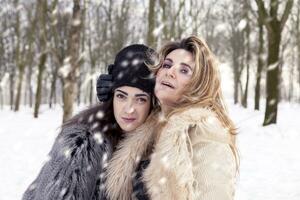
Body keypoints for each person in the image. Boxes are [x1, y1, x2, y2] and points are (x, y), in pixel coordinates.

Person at [22, 44, 157, 200]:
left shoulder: (158, 146)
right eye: (121, 96)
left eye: (140, 99)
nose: (129, 109)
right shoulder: (82, 143)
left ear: (153, 103)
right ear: (111, 95)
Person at [141, 35, 238, 199]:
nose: (170, 72)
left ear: (198, 85)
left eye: (184, 70)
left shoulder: (208, 135)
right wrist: (113, 94)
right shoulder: (153, 124)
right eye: (167, 65)